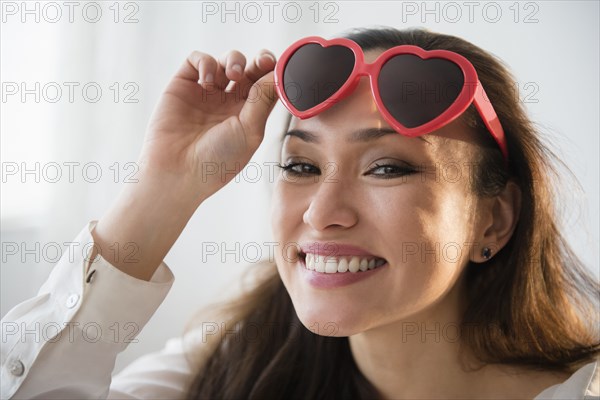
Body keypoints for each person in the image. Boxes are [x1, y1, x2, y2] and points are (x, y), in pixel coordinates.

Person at [1, 27, 598, 399]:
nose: (322, 213)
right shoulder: (228, 367)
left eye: (387, 168)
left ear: (493, 221)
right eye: (301, 167)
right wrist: (165, 187)